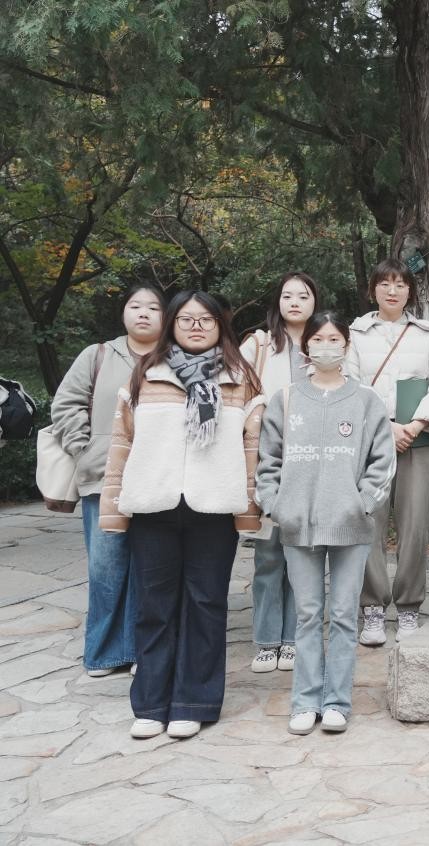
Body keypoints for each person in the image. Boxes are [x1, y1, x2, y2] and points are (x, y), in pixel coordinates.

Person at [101, 291, 264, 741]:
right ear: (171, 324)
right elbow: (121, 444)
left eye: (206, 319)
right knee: (154, 607)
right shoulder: (145, 375)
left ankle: (194, 701)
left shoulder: (240, 379)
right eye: (187, 319)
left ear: (220, 326)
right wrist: (113, 509)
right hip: (153, 504)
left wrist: (251, 510)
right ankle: (151, 704)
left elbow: (253, 450)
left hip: (213, 506)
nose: (196, 326)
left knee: (206, 604)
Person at [256, 312, 395, 735]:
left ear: (346, 346)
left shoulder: (366, 400)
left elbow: (382, 459)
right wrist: (275, 504)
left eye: (335, 339)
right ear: (306, 348)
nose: (326, 346)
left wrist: (363, 503)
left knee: (344, 614)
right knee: (308, 614)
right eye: (318, 339)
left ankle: (337, 702)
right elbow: (268, 459)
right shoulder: (286, 398)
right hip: (297, 525)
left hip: (351, 525)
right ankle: (305, 701)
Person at [50, 285, 165, 677]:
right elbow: (66, 403)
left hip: (157, 479)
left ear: (165, 317)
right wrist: (84, 448)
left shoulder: (173, 358)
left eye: (152, 307)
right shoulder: (97, 354)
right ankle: (104, 653)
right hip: (103, 478)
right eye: (135, 306)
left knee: (149, 567)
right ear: (123, 312)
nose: (143, 313)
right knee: (106, 567)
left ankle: (140, 650)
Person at [345, 258, 429, 645]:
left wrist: (416, 424)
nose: (392, 291)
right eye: (385, 283)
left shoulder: (426, 336)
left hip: (417, 439)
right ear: (372, 289)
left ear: (410, 291)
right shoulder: (356, 335)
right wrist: (386, 427)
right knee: (368, 521)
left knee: (415, 523)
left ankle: (409, 606)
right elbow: (349, 384)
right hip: (370, 440)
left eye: (401, 284)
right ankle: (372, 607)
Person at [239, 272, 318, 674]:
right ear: (278, 301)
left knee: (304, 554)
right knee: (269, 553)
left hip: (313, 462)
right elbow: (235, 390)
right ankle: (267, 639)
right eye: (287, 295)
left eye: (303, 295)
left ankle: (295, 638)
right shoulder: (258, 344)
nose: (295, 302)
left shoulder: (326, 342)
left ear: (314, 302)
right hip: (269, 459)